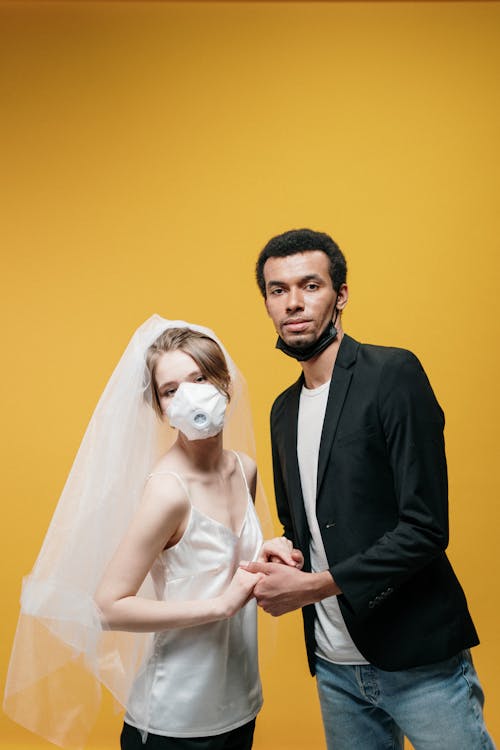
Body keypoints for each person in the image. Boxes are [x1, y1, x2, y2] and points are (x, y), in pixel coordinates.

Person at [244, 229, 495, 749]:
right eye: (277, 289)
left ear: (341, 294)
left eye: (309, 285)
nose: (293, 302)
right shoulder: (282, 411)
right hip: (335, 666)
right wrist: (281, 554)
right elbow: (303, 525)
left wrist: (315, 586)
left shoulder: (392, 374)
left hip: (419, 660)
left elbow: (424, 528)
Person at [4, 315, 290, 750]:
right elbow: (107, 607)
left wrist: (264, 551)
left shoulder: (243, 469)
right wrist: (219, 605)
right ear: (160, 408)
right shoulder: (167, 492)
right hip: (176, 719)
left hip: (241, 703)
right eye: (170, 390)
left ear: (224, 381)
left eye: (199, 378)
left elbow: (217, 560)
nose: (189, 395)